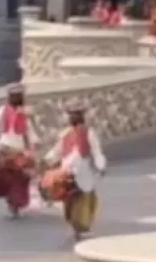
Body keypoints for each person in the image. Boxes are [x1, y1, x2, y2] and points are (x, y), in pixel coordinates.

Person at [44, 100, 108, 241]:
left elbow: (96, 152)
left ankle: (82, 227)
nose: (74, 118)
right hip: (67, 171)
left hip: (84, 173)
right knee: (69, 201)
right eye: (72, 115)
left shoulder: (89, 133)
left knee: (84, 200)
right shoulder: (65, 134)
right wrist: (47, 160)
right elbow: (57, 151)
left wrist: (101, 165)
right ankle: (75, 227)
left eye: (77, 115)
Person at [0, 83, 40, 218]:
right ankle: (11, 202)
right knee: (6, 178)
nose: (16, 98)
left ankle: (16, 204)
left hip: (20, 149)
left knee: (20, 179)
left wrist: (34, 143)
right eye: (13, 96)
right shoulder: (1, 111)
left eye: (18, 96)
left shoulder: (26, 113)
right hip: (5, 148)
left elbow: (29, 130)